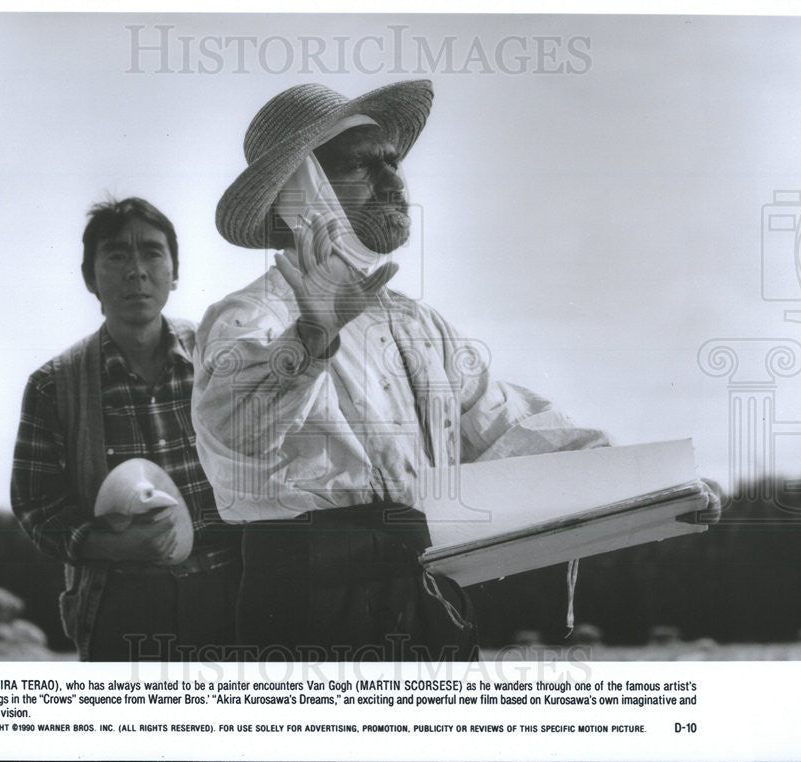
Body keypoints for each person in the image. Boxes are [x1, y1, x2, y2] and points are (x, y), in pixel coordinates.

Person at [193, 81, 719, 662]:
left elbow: (508, 430)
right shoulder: (252, 316)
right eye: (364, 166)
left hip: (427, 594)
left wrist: (657, 488)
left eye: (394, 162)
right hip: (309, 613)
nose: (396, 182)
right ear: (305, 193)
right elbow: (233, 440)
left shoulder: (422, 326)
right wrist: (313, 337)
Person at [11, 197, 240, 661]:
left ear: (174, 272)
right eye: (116, 255)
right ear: (90, 278)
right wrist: (111, 545)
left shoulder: (220, 355)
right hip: (123, 605)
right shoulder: (55, 384)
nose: (136, 270)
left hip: (233, 592)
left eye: (152, 252)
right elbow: (35, 504)